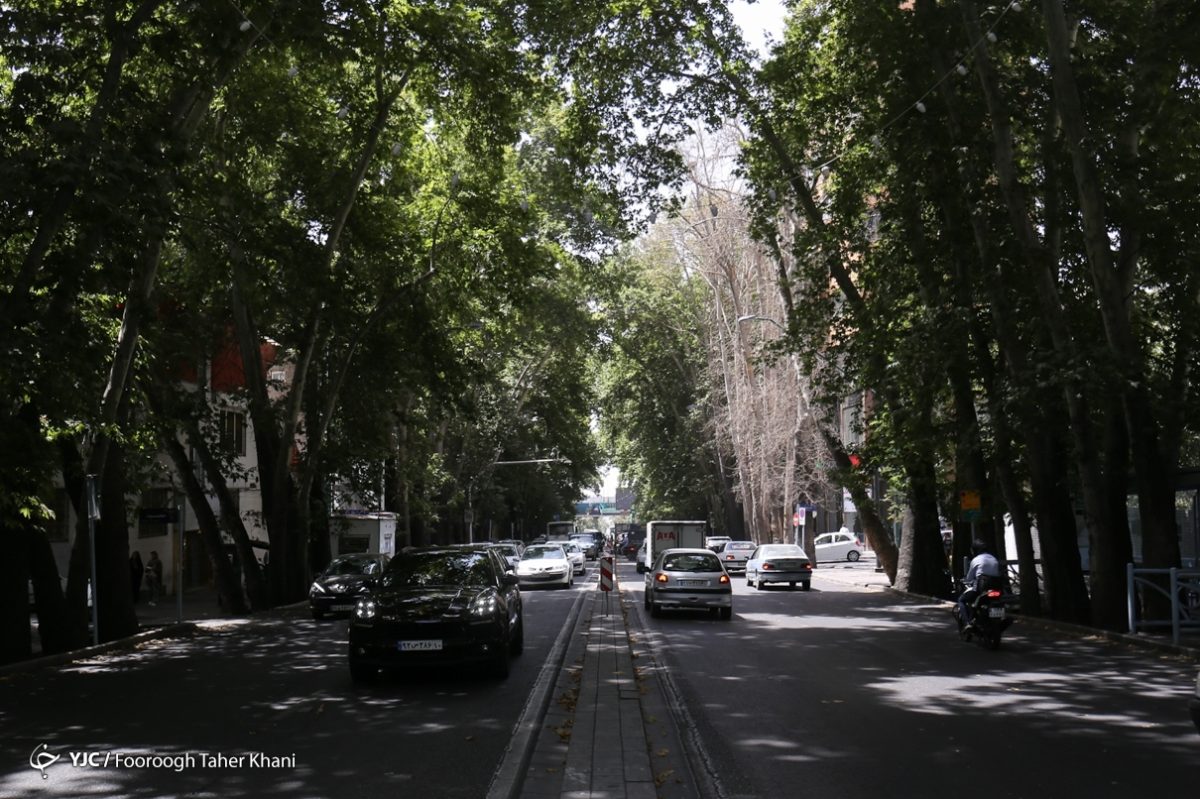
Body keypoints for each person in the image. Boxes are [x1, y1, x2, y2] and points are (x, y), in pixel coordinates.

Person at [956, 539, 1002, 629]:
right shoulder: (993, 558)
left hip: (982, 588)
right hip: (996, 587)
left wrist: (965, 580)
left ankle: (967, 623)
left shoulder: (976, 560)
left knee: (961, 600)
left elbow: (969, 578)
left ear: (975, 550)